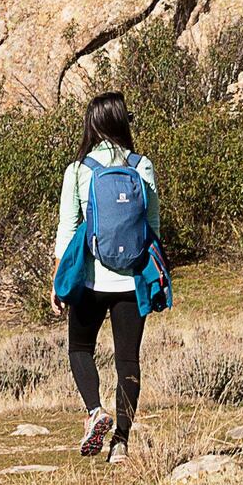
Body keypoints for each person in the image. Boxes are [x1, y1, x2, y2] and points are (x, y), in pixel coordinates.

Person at [49, 93, 171, 459]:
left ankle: (93, 411)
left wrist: (57, 280)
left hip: (90, 281)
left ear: (92, 124)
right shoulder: (141, 166)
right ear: (121, 122)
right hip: (131, 281)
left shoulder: (78, 170)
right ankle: (121, 443)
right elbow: (153, 226)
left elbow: (67, 230)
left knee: (80, 348)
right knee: (128, 361)